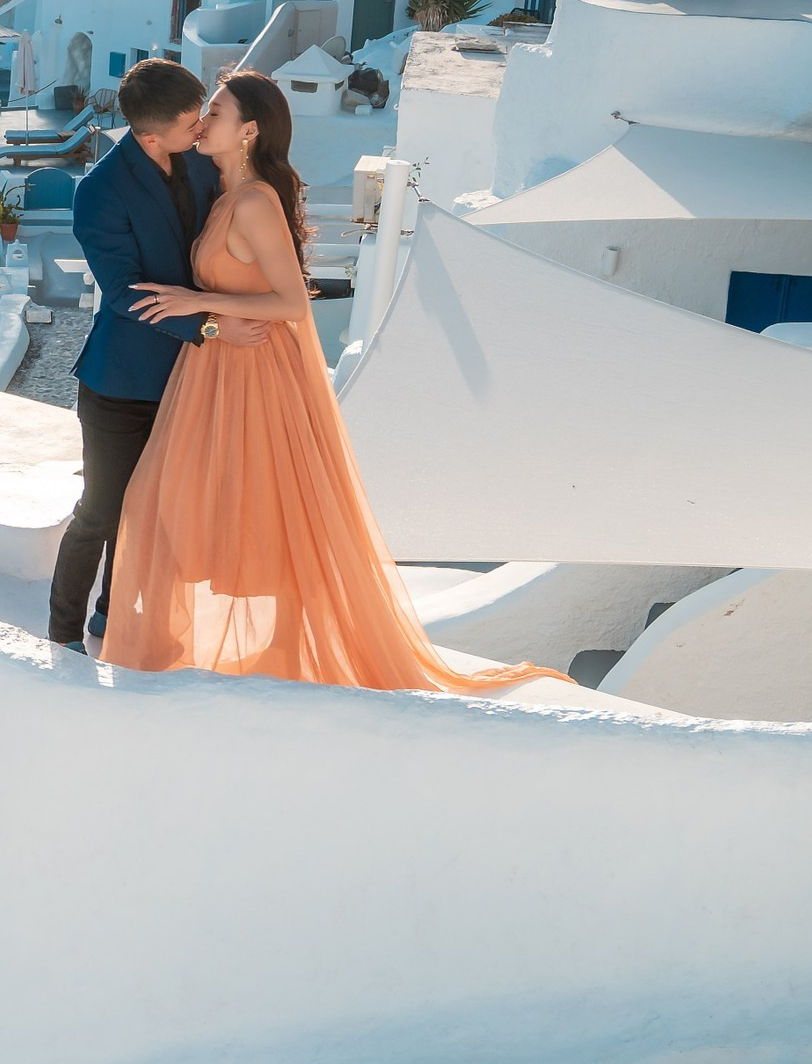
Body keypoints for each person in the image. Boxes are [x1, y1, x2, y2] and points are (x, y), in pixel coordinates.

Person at [99, 71, 564, 693]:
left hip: (257, 372)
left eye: (215, 109)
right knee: (181, 503)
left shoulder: (256, 200)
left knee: (273, 508)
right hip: (219, 369)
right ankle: (197, 640)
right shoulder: (221, 190)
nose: (202, 119)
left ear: (249, 130)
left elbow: (293, 303)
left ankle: (285, 648)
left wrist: (194, 299)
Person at [46, 60, 269, 652]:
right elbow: (125, 295)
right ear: (151, 135)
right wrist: (213, 326)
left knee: (152, 512)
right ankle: (62, 633)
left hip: (187, 380)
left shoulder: (200, 159)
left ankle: (111, 614)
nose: (202, 128)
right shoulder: (98, 192)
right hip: (121, 384)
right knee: (101, 511)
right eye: (193, 121)